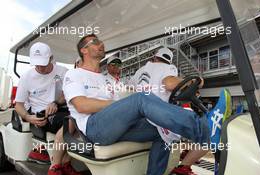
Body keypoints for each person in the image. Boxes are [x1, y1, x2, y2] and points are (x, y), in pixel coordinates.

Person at [62, 34, 209, 175]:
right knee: (141, 98)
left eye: (100, 41)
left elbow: (126, 96)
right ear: (84, 50)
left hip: (114, 126)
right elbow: (82, 106)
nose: (101, 44)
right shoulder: (74, 74)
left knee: (164, 131)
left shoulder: (106, 79)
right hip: (93, 128)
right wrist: (117, 105)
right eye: (94, 42)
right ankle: (204, 129)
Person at [129, 47, 210, 175]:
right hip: (152, 119)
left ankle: (185, 158)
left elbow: (130, 91)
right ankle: (203, 134)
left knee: (167, 130)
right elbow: (170, 84)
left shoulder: (140, 71)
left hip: (135, 120)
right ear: (169, 61)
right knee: (166, 132)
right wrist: (196, 81)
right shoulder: (168, 68)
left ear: (154, 57)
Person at [14, 42, 78, 175]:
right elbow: (18, 105)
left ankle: (65, 164)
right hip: (40, 115)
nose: (40, 67)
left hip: (61, 109)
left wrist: (55, 102)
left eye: (43, 63)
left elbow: (68, 94)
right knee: (71, 121)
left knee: (82, 119)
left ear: (51, 58)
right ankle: (56, 167)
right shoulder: (26, 77)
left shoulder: (63, 71)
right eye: (36, 64)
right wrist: (27, 117)